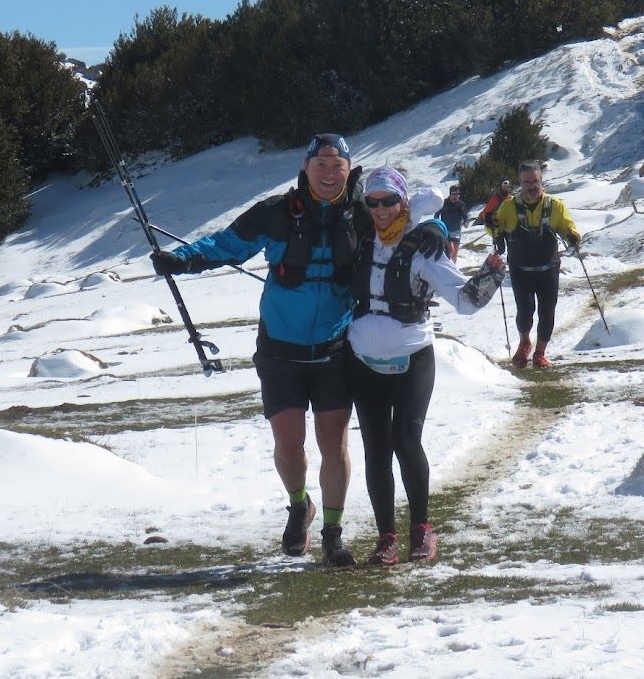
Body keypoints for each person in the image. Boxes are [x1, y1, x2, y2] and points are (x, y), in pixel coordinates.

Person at [149, 135, 448, 566]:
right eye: (321, 164)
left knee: (334, 445)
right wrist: (182, 260)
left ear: (349, 171)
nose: (329, 173)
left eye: (337, 165)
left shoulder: (361, 216)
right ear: (306, 168)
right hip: (280, 349)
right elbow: (225, 244)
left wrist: (438, 228)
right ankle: (298, 505)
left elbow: (402, 221)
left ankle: (332, 533)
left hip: (335, 350)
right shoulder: (276, 212)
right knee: (289, 447)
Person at [346, 167, 506, 566]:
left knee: (405, 440)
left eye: (389, 202)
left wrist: (492, 273)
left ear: (402, 202)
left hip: (412, 357)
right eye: (373, 202)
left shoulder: (424, 248)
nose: (381, 210)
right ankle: (386, 537)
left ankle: (422, 529)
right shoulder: (359, 239)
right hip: (363, 362)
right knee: (375, 450)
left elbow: (467, 301)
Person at [491, 161, 581, 368]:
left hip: (548, 268)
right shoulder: (508, 207)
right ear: (520, 183)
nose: (531, 186)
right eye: (526, 182)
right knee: (524, 310)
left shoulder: (555, 206)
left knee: (547, 312)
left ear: (541, 181)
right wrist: (493, 227)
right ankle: (524, 343)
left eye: (535, 181)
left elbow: (567, 226)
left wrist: (572, 235)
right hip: (520, 269)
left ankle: (540, 353)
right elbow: (497, 225)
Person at [435, 184, 471, 261]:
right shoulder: (444, 203)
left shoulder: (460, 204)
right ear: (450, 194)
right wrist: (437, 225)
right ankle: (444, 264)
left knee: (455, 255)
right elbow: (436, 215)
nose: (456, 197)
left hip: (457, 230)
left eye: (457, 195)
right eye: (454, 194)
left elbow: (465, 216)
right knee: (451, 251)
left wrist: (466, 222)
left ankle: (453, 269)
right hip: (446, 230)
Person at [476, 180, 511, 254]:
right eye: (504, 187)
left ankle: (510, 262)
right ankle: (493, 262)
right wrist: (488, 222)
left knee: (511, 247)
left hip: (507, 227)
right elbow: (486, 211)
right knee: (501, 249)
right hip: (497, 228)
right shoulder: (496, 199)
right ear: (501, 187)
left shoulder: (510, 198)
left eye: (507, 187)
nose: (506, 189)